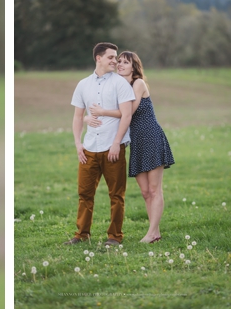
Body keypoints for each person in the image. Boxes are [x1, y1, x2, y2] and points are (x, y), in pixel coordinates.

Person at [85, 51, 174, 243]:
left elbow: (128, 113)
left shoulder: (138, 84)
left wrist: (103, 111)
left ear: (134, 66)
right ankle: (155, 232)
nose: (120, 65)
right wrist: (88, 116)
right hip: (136, 142)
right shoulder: (120, 85)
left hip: (151, 137)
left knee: (154, 189)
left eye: (126, 62)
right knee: (144, 191)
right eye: (119, 62)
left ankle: (151, 233)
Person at [65, 42, 135, 247]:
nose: (116, 61)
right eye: (111, 57)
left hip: (112, 148)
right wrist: (78, 144)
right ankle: (81, 234)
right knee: (84, 194)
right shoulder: (83, 84)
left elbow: (127, 115)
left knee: (116, 195)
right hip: (89, 148)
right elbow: (78, 117)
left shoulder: (119, 83)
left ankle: (114, 237)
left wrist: (116, 143)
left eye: (116, 57)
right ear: (98, 58)